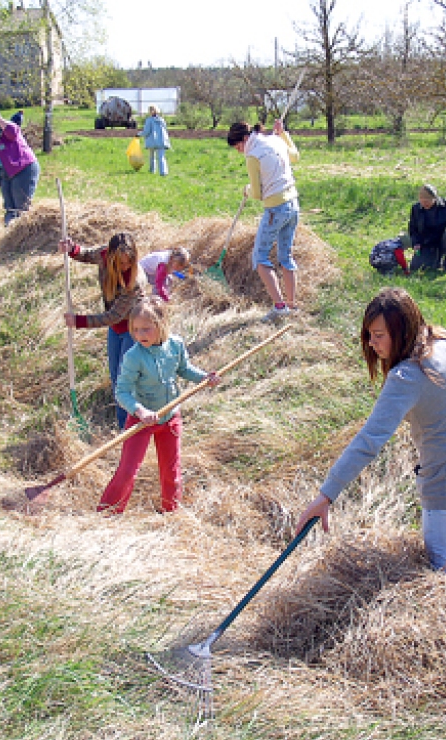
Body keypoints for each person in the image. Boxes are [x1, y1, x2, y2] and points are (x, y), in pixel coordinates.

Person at [294, 287, 446, 574]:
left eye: (379, 335)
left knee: (440, 571)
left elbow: (369, 441)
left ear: (402, 330)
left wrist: (326, 495)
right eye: (369, 334)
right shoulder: (444, 341)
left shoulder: (407, 377)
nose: (371, 343)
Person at [99, 298, 221, 515]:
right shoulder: (133, 356)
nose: (140, 335)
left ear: (162, 324)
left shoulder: (175, 345)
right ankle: (108, 512)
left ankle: (171, 512)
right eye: (135, 330)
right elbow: (122, 391)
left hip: (170, 417)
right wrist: (140, 411)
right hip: (140, 421)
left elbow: (184, 369)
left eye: (146, 329)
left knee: (171, 471)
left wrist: (205, 377)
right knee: (128, 471)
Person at [60, 232, 146, 430]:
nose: (125, 267)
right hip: (115, 330)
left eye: (128, 262)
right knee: (116, 379)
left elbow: (113, 316)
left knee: (125, 381)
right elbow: (88, 254)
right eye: (120, 263)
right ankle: (122, 424)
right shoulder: (104, 256)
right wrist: (72, 249)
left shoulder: (134, 282)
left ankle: (129, 428)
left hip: (133, 329)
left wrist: (79, 321)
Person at [226, 119, 300, 321]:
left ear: (243, 139)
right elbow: (295, 156)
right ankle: (293, 306)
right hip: (293, 203)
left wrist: (247, 190)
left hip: (275, 209)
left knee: (259, 258)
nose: (239, 151)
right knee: (286, 255)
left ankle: (280, 306)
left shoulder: (252, 155)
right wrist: (283, 133)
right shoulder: (275, 140)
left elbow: (258, 193)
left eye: (237, 147)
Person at [402, 184, 446, 273]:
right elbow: (413, 229)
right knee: (416, 266)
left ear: (434, 198)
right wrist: (416, 242)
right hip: (427, 243)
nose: (425, 204)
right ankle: (436, 260)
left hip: (444, 239)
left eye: (427, 201)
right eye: (422, 201)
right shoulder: (416, 208)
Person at [140, 105, 171, 176]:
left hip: (152, 141)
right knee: (161, 157)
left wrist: (139, 134)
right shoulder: (162, 120)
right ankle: (163, 172)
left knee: (152, 156)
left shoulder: (149, 120)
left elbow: (146, 131)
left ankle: (152, 170)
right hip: (162, 141)